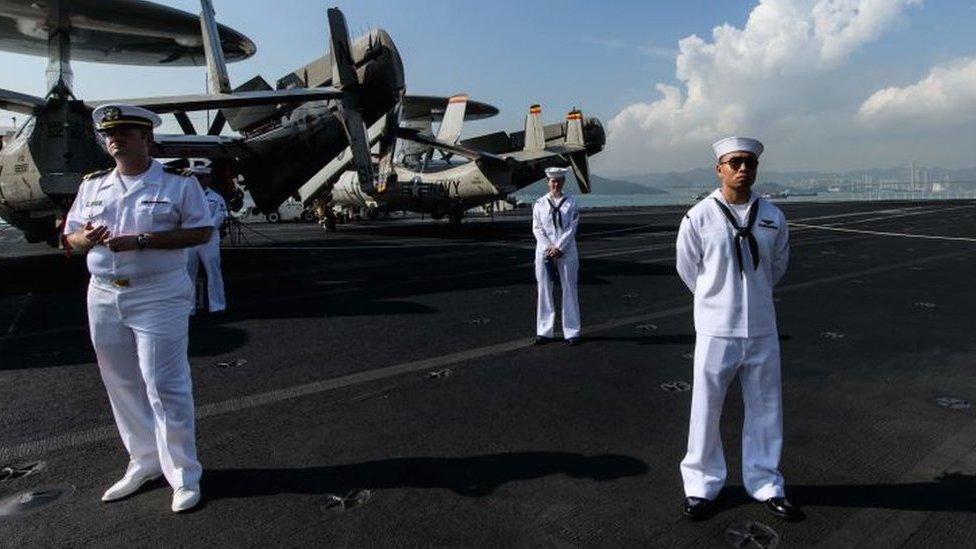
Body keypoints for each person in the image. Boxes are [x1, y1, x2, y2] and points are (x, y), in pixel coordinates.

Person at [62, 104, 213, 513]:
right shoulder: (92, 186)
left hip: (158, 293)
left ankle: (183, 473)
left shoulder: (178, 184)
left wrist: (142, 240)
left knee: (165, 384)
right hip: (103, 293)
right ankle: (144, 460)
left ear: (147, 138)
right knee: (121, 382)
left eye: (125, 131)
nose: (115, 138)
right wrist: (86, 239)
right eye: (110, 132)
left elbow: (201, 230)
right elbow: (69, 239)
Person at [674, 137, 801, 521]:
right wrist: (717, 300)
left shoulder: (773, 216)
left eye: (749, 162)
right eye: (734, 162)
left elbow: (776, 265)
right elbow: (687, 268)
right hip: (716, 328)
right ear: (719, 168)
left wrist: (754, 297)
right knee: (706, 408)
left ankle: (766, 482)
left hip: (762, 327)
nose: (742, 168)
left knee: (766, 407)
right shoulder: (699, 217)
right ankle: (701, 485)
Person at [532, 166, 581, 345]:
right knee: (544, 290)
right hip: (544, 253)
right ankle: (544, 331)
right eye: (553, 181)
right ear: (547, 182)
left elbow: (571, 227)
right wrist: (549, 248)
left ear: (563, 182)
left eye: (559, 181)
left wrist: (559, 247)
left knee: (569, 289)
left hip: (566, 251)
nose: (556, 184)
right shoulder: (539, 204)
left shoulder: (571, 202)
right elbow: (537, 228)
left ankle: (572, 331)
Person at [186, 165, 227, 314]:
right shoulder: (185, 196)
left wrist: (207, 228)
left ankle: (217, 305)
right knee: (188, 273)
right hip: (190, 237)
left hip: (209, 238)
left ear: (208, 178)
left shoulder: (216, 197)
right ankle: (189, 307)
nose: (199, 179)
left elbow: (221, 215)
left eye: (202, 177)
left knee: (214, 271)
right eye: (196, 177)